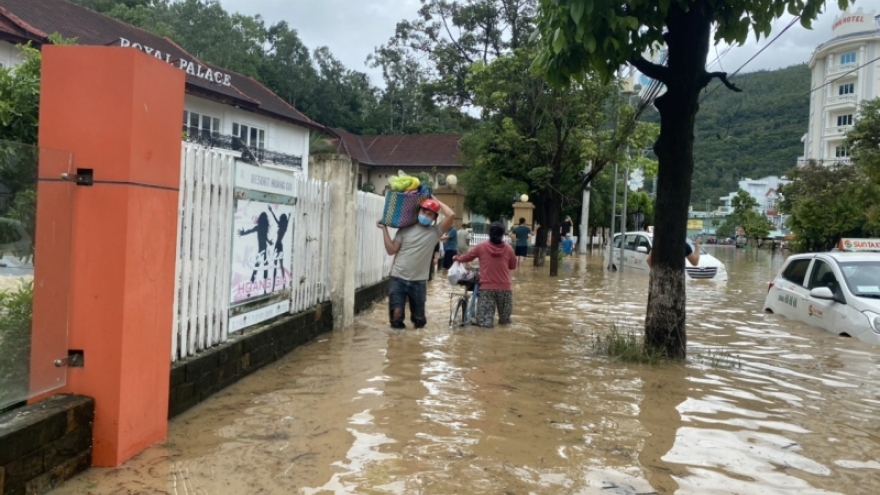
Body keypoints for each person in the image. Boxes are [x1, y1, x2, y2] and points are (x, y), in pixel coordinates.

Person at [378, 196, 455, 329]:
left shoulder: (435, 232)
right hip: (398, 278)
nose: (426, 215)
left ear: (434, 219)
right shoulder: (404, 230)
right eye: (424, 211)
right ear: (419, 211)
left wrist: (435, 199)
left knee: (419, 321)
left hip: (418, 282)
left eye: (430, 214)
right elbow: (392, 250)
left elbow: (451, 214)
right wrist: (384, 230)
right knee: (396, 318)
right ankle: (398, 346)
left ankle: (415, 346)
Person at [454, 222, 517, 328]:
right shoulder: (509, 248)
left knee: (485, 324)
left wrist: (457, 258)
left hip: (487, 289)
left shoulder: (481, 247)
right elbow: (512, 266)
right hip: (505, 289)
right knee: (505, 323)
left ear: (489, 233)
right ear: (503, 235)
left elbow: (467, 257)